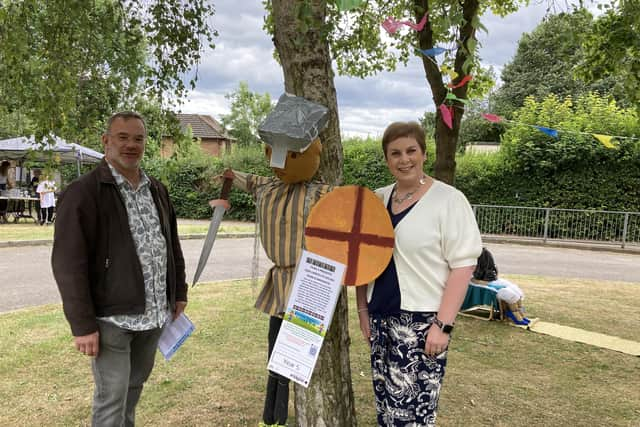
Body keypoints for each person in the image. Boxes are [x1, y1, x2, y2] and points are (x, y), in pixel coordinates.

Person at [51, 111, 188, 427]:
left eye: (138, 139)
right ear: (106, 141)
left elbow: (171, 247)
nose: (131, 145)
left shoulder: (157, 189)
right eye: (123, 137)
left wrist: (178, 292)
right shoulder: (83, 193)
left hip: (154, 315)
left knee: (132, 391)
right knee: (112, 401)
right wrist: (82, 324)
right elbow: (68, 264)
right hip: (111, 320)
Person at [356, 121, 482, 426]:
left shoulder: (449, 200)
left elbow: (463, 265)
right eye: (395, 153)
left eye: (411, 150)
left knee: (414, 416)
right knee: (387, 407)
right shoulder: (375, 199)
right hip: (381, 319)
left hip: (423, 324)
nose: (404, 159)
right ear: (386, 159)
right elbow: (360, 257)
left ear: (424, 153)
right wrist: (362, 309)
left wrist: (443, 325)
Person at [224, 94, 331, 427]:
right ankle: (273, 417)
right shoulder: (267, 187)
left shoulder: (321, 194)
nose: (281, 161)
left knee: (296, 355)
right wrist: (224, 178)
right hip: (281, 284)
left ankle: (285, 415)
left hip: (310, 285)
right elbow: (247, 180)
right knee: (275, 352)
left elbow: (353, 209)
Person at [472, 247, 530, 325]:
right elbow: (476, 281)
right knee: (511, 294)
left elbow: (478, 280)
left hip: (487, 281)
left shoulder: (483, 266)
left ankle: (519, 314)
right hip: (485, 283)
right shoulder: (485, 265)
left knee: (515, 291)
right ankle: (516, 316)